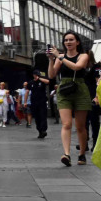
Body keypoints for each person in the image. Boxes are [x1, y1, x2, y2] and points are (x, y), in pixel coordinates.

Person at [49, 31, 93, 166]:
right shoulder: (60, 57)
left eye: (71, 40)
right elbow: (51, 75)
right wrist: (51, 59)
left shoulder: (83, 56)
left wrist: (60, 57)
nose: (68, 42)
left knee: (80, 126)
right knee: (66, 124)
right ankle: (66, 154)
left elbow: (77, 67)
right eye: (66, 40)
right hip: (64, 90)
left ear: (77, 42)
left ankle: (82, 154)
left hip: (80, 90)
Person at [31, 64, 50, 138]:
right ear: (33, 75)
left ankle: (43, 130)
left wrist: (40, 78)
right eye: (36, 75)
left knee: (43, 116)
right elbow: (27, 91)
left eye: (38, 75)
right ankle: (40, 131)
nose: (37, 76)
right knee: (37, 118)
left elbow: (47, 81)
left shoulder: (42, 81)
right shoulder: (31, 82)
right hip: (34, 103)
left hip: (42, 102)